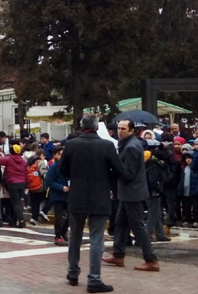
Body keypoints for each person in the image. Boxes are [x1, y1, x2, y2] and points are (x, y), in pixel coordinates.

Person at [59, 115, 128, 293]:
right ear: (97, 127)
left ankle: (73, 272)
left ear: (82, 127)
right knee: (97, 238)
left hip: (77, 196)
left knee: (75, 236)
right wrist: (107, 178)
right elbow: (120, 170)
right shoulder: (106, 145)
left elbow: (63, 170)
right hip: (99, 196)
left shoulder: (71, 145)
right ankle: (94, 279)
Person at [103, 119, 159, 272]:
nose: (120, 131)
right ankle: (118, 255)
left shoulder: (131, 147)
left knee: (138, 226)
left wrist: (113, 166)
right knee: (121, 223)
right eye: (119, 128)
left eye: (123, 129)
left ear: (131, 130)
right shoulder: (127, 144)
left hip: (133, 193)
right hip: (127, 192)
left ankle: (151, 259)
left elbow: (128, 173)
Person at [0, 144, 29, 228]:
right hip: (22, 183)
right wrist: (27, 185)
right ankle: (14, 220)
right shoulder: (23, 161)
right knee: (18, 202)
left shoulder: (9, 159)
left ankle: (21, 220)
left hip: (12, 183)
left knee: (15, 203)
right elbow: (26, 173)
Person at [145, 144, 170, 241]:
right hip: (153, 194)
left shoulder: (150, 165)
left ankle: (160, 234)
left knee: (158, 214)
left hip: (150, 193)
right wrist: (160, 189)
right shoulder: (154, 168)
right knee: (153, 215)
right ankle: (146, 234)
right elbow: (153, 182)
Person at [46, 145, 69, 246]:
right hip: (57, 195)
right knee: (59, 217)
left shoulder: (68, 166)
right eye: (59, 154)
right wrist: (61, 187)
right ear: (55, 155)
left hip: (68, 195)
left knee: (71, 216)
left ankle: (64, 231)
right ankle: (58, 236)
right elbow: (49, 181)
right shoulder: (53, 167)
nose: (61, 156)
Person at [178, 153, 198, 228]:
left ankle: (196, 220)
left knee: (195, 206)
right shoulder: (184, 168)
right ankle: (187, 219)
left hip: (194, 191)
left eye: (190, 158)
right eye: (186, 158)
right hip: (185, 191)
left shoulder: (196, 169)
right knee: (186, 206)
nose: (188, 160)